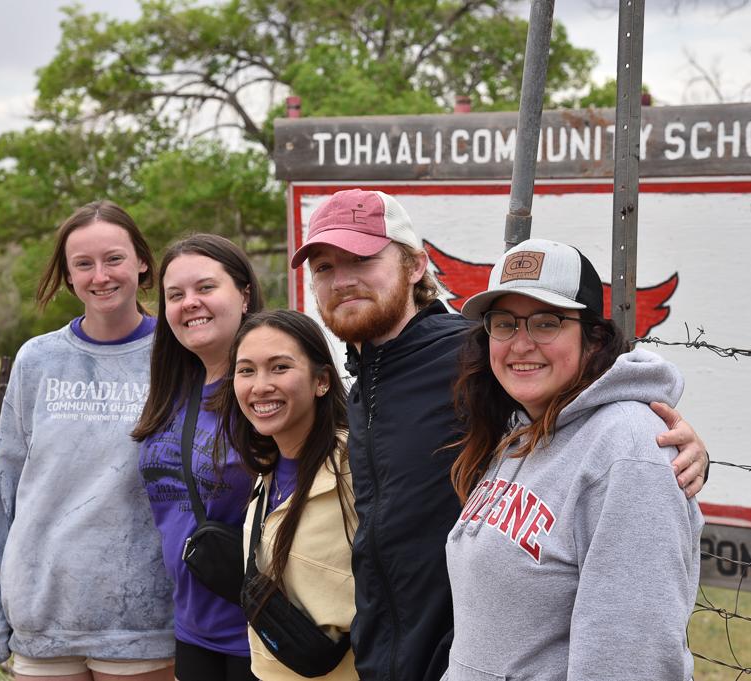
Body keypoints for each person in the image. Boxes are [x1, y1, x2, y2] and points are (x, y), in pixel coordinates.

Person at [289, 188, 709, 681]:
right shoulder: (462, 395)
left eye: (361, 258)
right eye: (324, 268)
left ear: (416, 265)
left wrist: (665, 455)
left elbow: (633, 643)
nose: (519, 343)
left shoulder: (465, 360)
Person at [446, 238, 703, 679]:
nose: (520, 343)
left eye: (546, 323)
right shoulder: (519, 429)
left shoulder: (629, 449)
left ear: (593, 337)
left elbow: (631, 658)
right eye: (504, 324)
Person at [0, 200, 176, 681]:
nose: (100, 275)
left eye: (114, 258)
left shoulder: (175, 355)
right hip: (41, 618)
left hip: (140, 622)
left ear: (142, 262)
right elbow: (3, 486)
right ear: (67, 275)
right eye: (83, 263)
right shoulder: (38, 360)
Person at [132, 234, 263, 681]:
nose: (189, 303)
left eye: (205, 288)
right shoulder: (173, 392)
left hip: (259, 635)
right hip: (191, 631)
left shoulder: (268, 393)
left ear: (244, 295)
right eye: (175, 295)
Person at [216, 309, 358, 680]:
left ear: (321, 380)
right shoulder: (266, 469)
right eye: (246, 370)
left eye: (279, 367)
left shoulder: (356, 466)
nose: (260, 386)